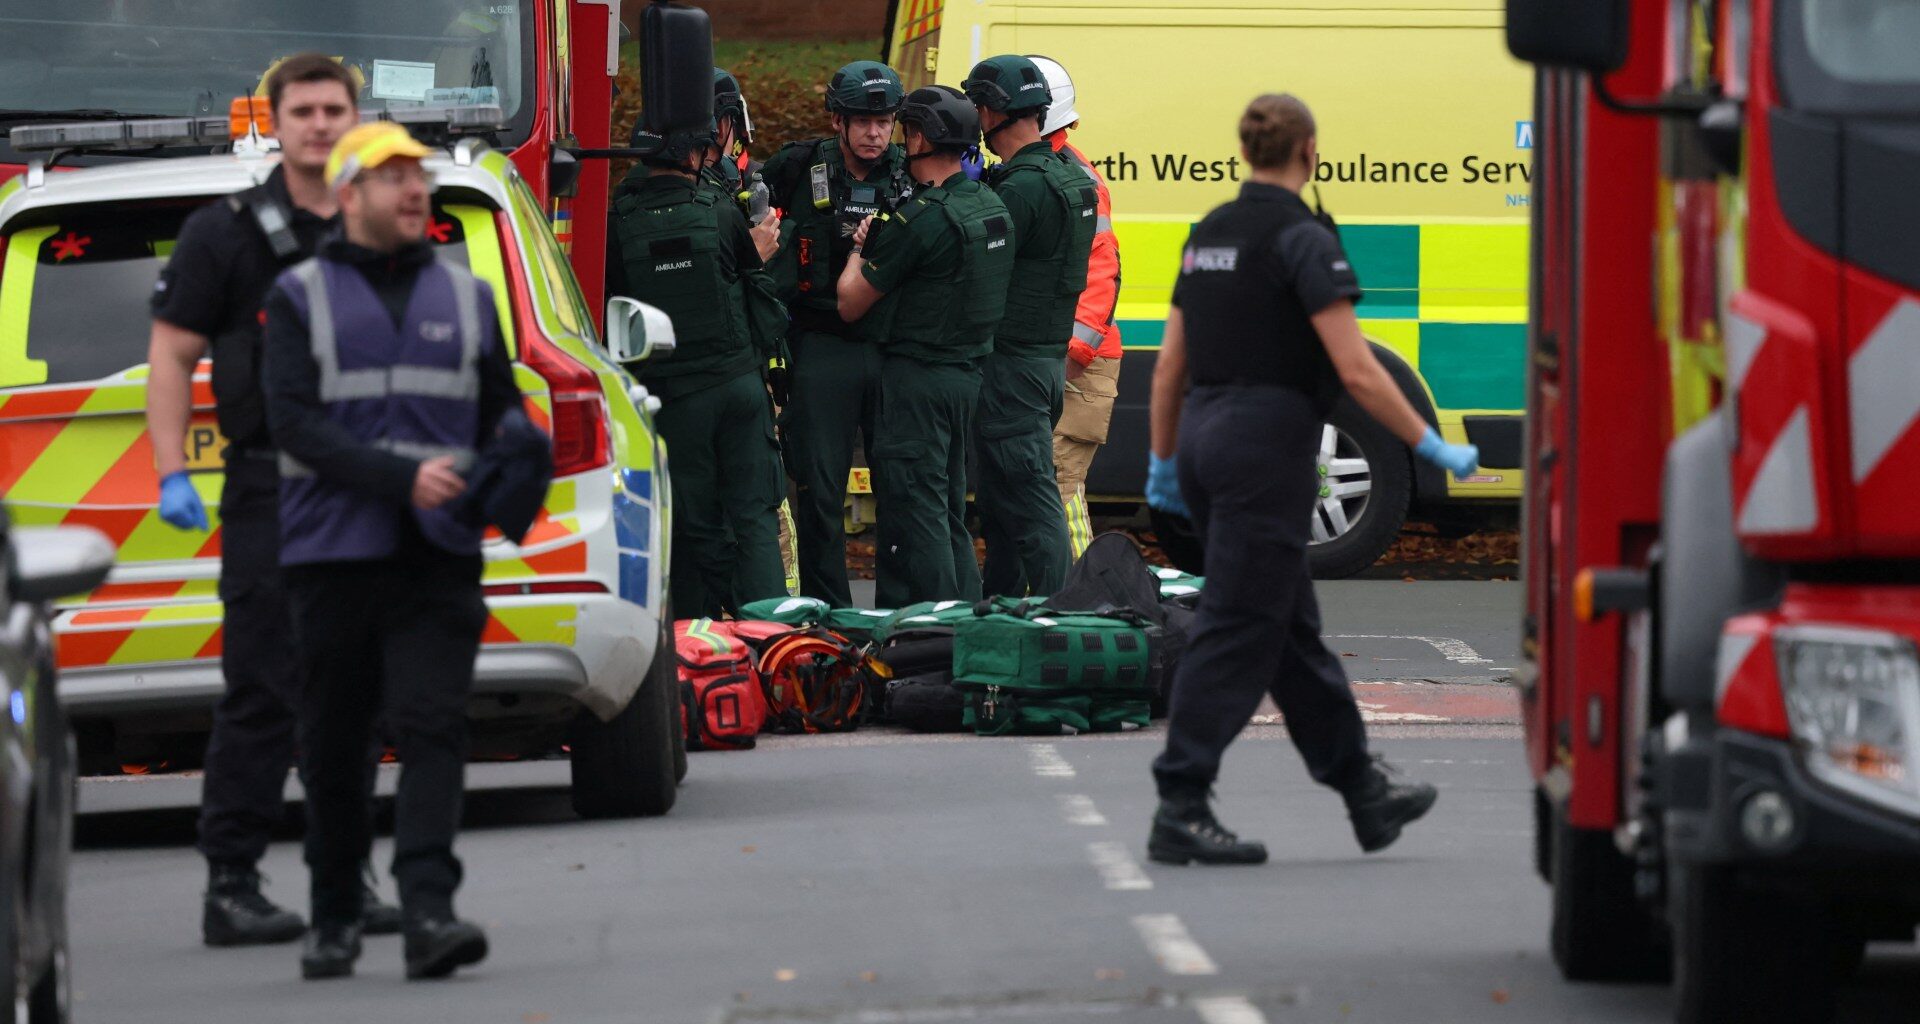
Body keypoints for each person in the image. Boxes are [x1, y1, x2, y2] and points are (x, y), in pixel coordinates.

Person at [1143, 94, 1479, 866]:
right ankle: (1181, 801)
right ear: (1311, 152)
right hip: (1266, 447)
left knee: (1288, 629)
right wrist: (1429, 444)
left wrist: (1164, 461)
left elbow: (1168, 368)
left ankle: (1364, 789)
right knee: (1237, 625)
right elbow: (1357, 369)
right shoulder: (1301, 240)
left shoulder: (1208, 235)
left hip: (1203, 435)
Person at [145, 52, 400, 948]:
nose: (321, 124)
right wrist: (173, 470)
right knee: (262, 689)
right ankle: (232, 882)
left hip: (367, 489)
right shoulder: (226, 234)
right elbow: (173, 355)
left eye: (336, 109)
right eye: (305, 111)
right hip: (267, 487)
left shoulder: (386, 217)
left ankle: (348, 875)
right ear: (276, 120)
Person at [261, 121, 513, 979]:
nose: (415, 191)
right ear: (347, 197)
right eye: (392, 177)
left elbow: (500, 418)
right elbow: (292, 423)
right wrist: (401, 476)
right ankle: (334, 910)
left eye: (420, 178)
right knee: (334, 741)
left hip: (437, 556)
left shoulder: (468, 297)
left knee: (435, 725)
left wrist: (510, 478)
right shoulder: (299, 296)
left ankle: (429, 912)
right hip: (333, 556)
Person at [835, 86, 1013, 605]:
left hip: (919, 381)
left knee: (919, 512)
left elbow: (850, 303)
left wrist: (859, 248)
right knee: (948, 510)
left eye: (905, 131)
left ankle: (940, 631)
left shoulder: (923, 218)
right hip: (965, 376)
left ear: (920, 137)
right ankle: (967, 618)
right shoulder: (991, 205)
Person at [609, 117, 788, 618]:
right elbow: (756, 288)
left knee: (692, 523)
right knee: (754, 517)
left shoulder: (617, 221)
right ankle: (769, 640)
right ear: (693, 158)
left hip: (672, 397)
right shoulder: (719, 212)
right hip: (738, 387)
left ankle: (698, 646)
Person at [761, 60, 915, 607]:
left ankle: (902, 613)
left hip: (892, 347)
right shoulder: (798, 168)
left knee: (901, 483)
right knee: (819, 487)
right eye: (863, 121)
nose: (876, 132)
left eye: (885, 120)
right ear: (837, 121)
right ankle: (831, 615)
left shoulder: (915, 169)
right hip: (821, 343)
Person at [963, 55, 1096, 597]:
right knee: (1005, 506)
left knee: (1030, 498)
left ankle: (1059, 618)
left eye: (977, 108)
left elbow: (973, 264)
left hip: (1012, 364)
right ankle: (1006, 612)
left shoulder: (1018, 190)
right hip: (1044, 359)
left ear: (993, 110)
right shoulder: (1072, 178)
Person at [1029, 55, 1123, 559]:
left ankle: (1081, 602)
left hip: (1077, 364)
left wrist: (1066, 362)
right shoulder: (1051, 169)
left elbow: (1100, 275)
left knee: (1059, 490)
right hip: (1065, 358)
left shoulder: (1073, 179)